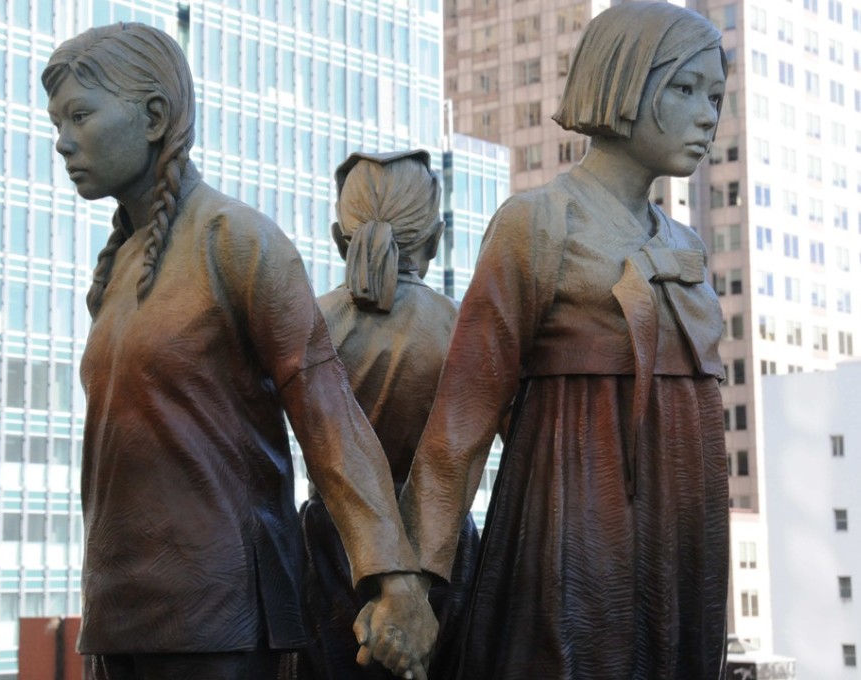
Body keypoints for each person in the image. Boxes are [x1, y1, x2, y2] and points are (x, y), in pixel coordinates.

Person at [42, 23, 434, 680]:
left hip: (219, 617)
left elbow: (328, 416)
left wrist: (394, 578)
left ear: (154, 117)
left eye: (80, 115)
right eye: (57, 121)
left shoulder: (237, 240)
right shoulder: (116, 272)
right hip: (118, 613)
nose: (62, 140)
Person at [364, 3, 730, 678]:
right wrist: (413, 583)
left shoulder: (688, 247)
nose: (707, 114)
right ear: (622, 82)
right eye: (684, 88)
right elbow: (460, 428)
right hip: (573, 543)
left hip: (682, 549)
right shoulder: (537, 224)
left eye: (714, 95)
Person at [289, 151, 480, 680]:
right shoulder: (458, 328)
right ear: (437, 238)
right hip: (441, 554)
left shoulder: (310, 323)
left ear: (337, 236)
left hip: (330, 548)